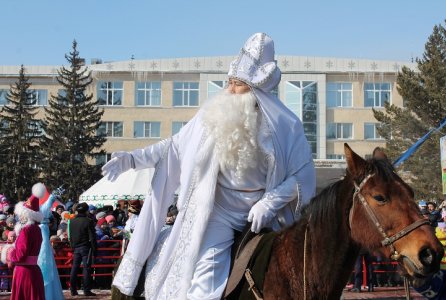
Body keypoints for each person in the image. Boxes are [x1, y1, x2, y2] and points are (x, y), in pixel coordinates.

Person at [104, 32, 316, 299]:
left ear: (256, 91)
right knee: (207, 278)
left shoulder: (285, 124)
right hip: (219, 213)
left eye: (237, 84)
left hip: (265, 214)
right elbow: (173, 147)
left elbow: (303, 174)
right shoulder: (211, 114)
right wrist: (133, 159)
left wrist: (270, 202)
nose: (229, 90)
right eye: (229, 82)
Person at [8, 190, 45, 299]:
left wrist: (10, 251)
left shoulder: (26, 230)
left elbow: (20, 255)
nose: (20, 217)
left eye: (21, 214)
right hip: (35, 270)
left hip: (23, 271)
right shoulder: (37, 229)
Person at [36, 183, 64, 300]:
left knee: (45, 268)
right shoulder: (43, 226)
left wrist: (53, 196)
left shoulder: (42, 226)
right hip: (43, 247)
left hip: (43, 249)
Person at [68, 202, 97, 297]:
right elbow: (92, 237)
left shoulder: (72, 221)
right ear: (86, 211)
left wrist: (72, 246)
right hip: (86, 247)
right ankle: (86, 290)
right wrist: (95, 249)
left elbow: (70, 236)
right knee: (86, 269)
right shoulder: (88, 221)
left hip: (76, 247)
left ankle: (73, 290)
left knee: (74, 268)